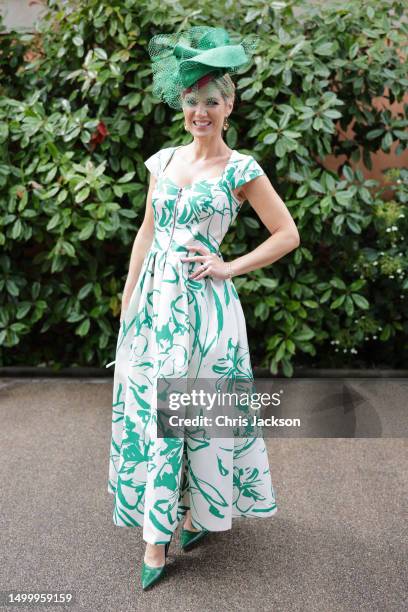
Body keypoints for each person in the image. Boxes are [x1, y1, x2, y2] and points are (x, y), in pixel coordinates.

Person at [105, 26, 300, 590]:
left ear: (229, 105)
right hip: (155, 309)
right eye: (192, 102)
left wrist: (227, 265)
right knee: (155, 414)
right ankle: (168, 524)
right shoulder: (162, 161)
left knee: (193, 416)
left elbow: (286, 234)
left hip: (208, 310)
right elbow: (146, 233)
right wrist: (129, 297)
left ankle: (170, 531)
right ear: (182, 108)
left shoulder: (242, 170)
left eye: (211, 101)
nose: (200, 112)